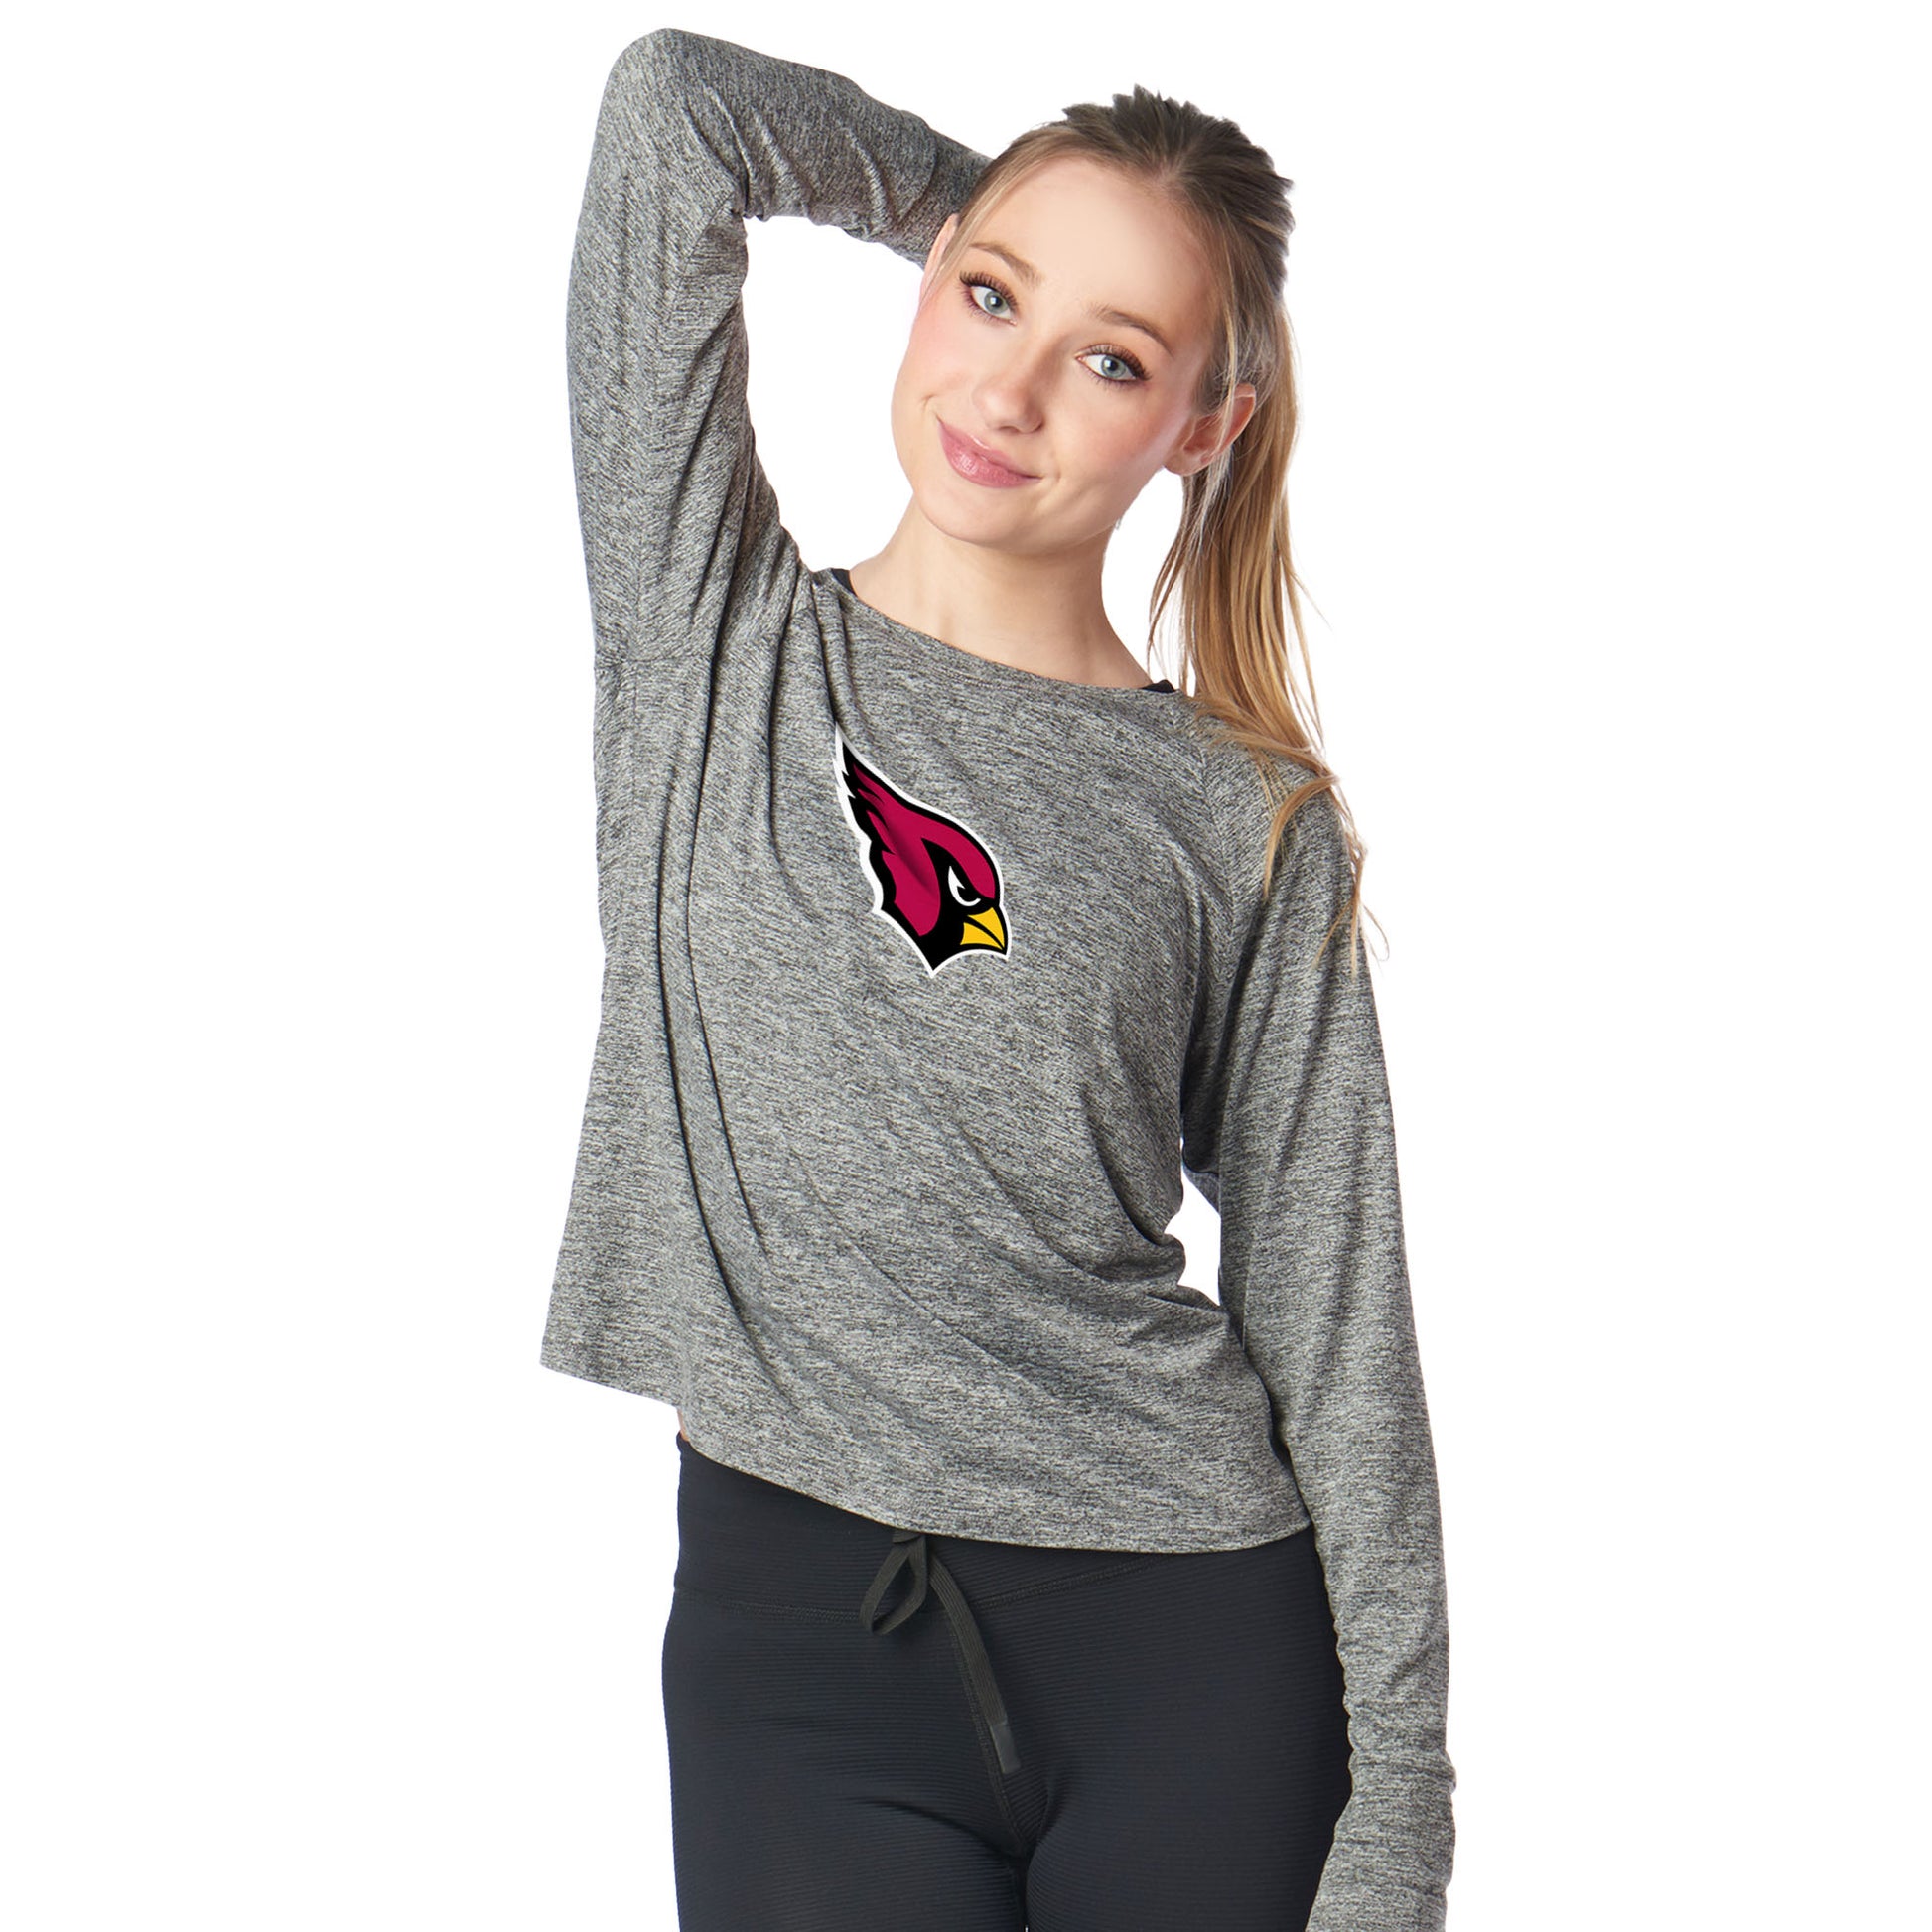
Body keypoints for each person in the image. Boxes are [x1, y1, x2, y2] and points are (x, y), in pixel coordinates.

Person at [540, 25, 1455, 1931]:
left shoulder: (1243, 816)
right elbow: (673, 108)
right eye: (989, 297)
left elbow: (1333, 1306)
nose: (1011, 388)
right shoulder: (711, 637)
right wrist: (995, 203)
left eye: (1112, 359)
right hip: (797, 1655)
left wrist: (1398, 1821)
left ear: (1198, 423)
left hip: (1189, 1643)